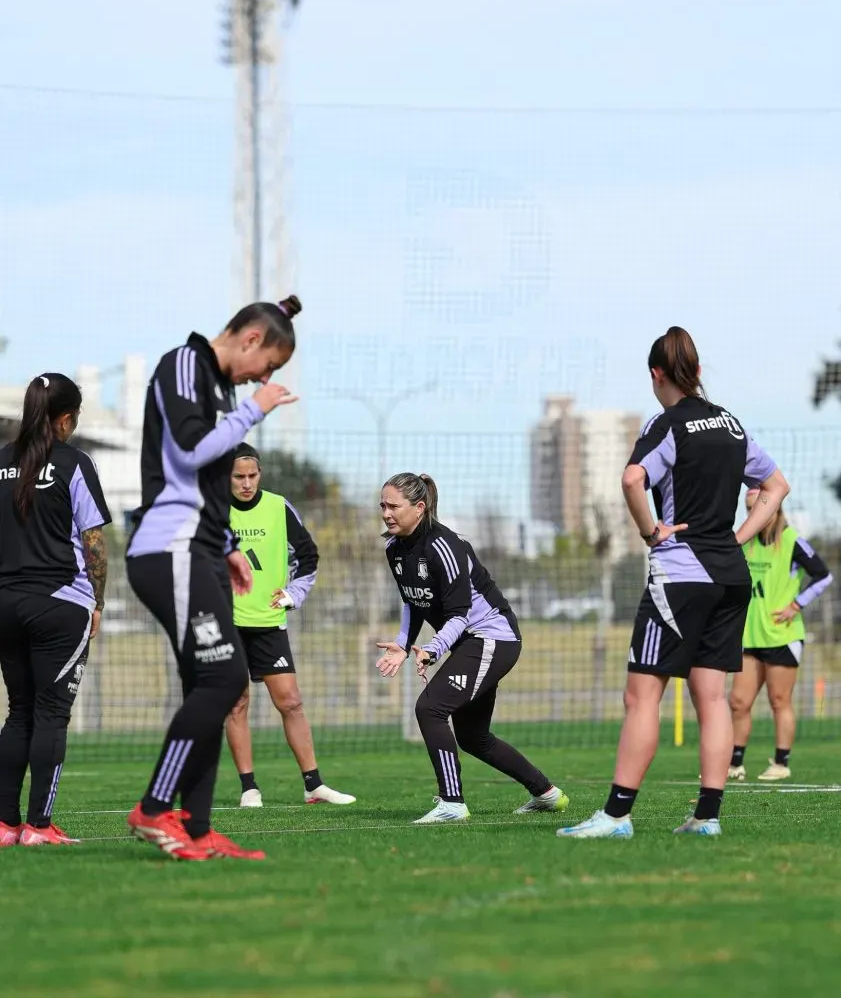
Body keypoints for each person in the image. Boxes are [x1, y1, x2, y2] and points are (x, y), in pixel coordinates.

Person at [558, 326, 790, 840]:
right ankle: (706, 818)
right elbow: (776, 486)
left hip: (681, 576)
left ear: (656, 375)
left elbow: (631, 478)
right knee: (712, 696)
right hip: (730, 576)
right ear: (699, 372)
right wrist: (738, 538)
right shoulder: (732, 425)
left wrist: (650, 531)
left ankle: (617, 815)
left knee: (642, 696)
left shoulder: (668, 424)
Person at [125, 297, 301, 861]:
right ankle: (154, 810)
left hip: (198, 550)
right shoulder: (184, 362)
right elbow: (190, 447)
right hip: (169, 548)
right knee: (226, 679)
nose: (265, 378)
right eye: (269, 365)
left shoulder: (219, 388)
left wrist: (225, 545)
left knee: (211, 683)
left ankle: (196, 829)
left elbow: (201, 480)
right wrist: (255, 408)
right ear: (249, 338)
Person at [375, 472, 569, 824]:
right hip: (469, 640)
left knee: (430, 708)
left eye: (393, 506)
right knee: (473, 736)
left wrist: (433, 649)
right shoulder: (394, 548)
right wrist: (403, 644)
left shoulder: (444, 547)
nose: (386, 513)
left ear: (419, 508)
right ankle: (547, 794)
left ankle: (452, 803)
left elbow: (460, 614)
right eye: (382, 506)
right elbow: (413, 602)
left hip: (494, 637)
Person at [0, 373, 110, 846]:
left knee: (18, 711)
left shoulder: (0, 463)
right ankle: (39, 828)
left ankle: (4, 825)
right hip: (60, 605)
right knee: (51, 715)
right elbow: (94, 543)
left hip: (4, 605)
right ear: (65, 419)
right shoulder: (73, 462)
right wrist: (98, 602)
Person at [225, 443, 356, 807]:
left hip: (269, 622)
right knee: (236, 704)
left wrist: (293, 593)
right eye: (239, 477)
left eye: (253, 476)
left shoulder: (278, 507)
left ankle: (314, 785)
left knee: (291, 702)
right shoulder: (213, 511)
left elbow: (309, 556)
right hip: (228, 623)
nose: (247, 483)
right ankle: (249, 789)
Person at [728, 491, 832, 782]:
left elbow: (824, 575)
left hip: (782, 636)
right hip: (750, 636)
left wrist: (796, 605)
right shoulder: (744, 541)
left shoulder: (791, 541)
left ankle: (781, 763)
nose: (753, 514)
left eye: (757, 508)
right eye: (748, 509)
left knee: (778, 699)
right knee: (738, 700)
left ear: (773, 508)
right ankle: (735, 764)